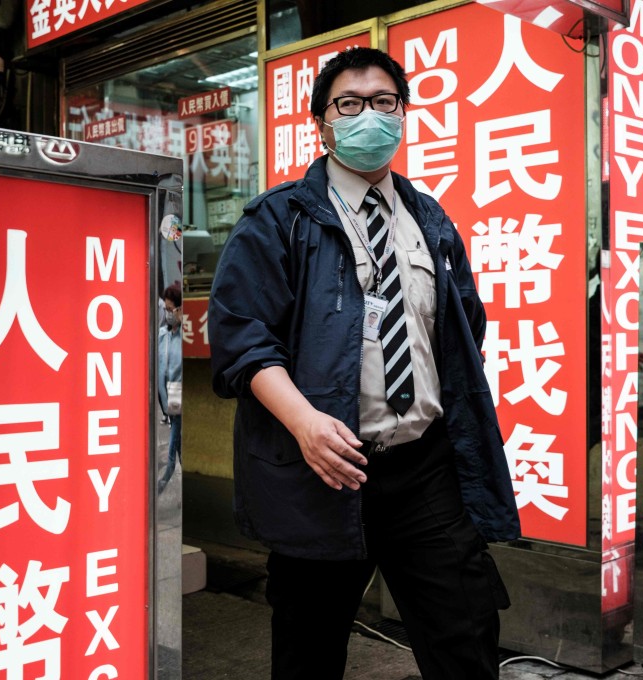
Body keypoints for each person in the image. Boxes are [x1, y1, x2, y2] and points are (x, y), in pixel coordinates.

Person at [209, 47, 519, 680]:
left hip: (423, 468)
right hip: (321, 470)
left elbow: (461, 331)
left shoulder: (428, 218)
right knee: (309, 646)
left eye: (384, 102)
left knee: (466, 632)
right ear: (320, 122)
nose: (368, 116)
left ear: (403, 113)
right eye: (348, 104)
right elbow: (243, 339)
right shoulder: (278, 219)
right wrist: (305, 424)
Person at [158, 283, 183, 494]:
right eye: (165, 310)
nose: (168, 314)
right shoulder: (162, 336)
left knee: (174, 441)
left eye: (170, 309)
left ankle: (162, 483)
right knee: (179, 441)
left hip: (177, 393)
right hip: (165, 394)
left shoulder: (182, 335)